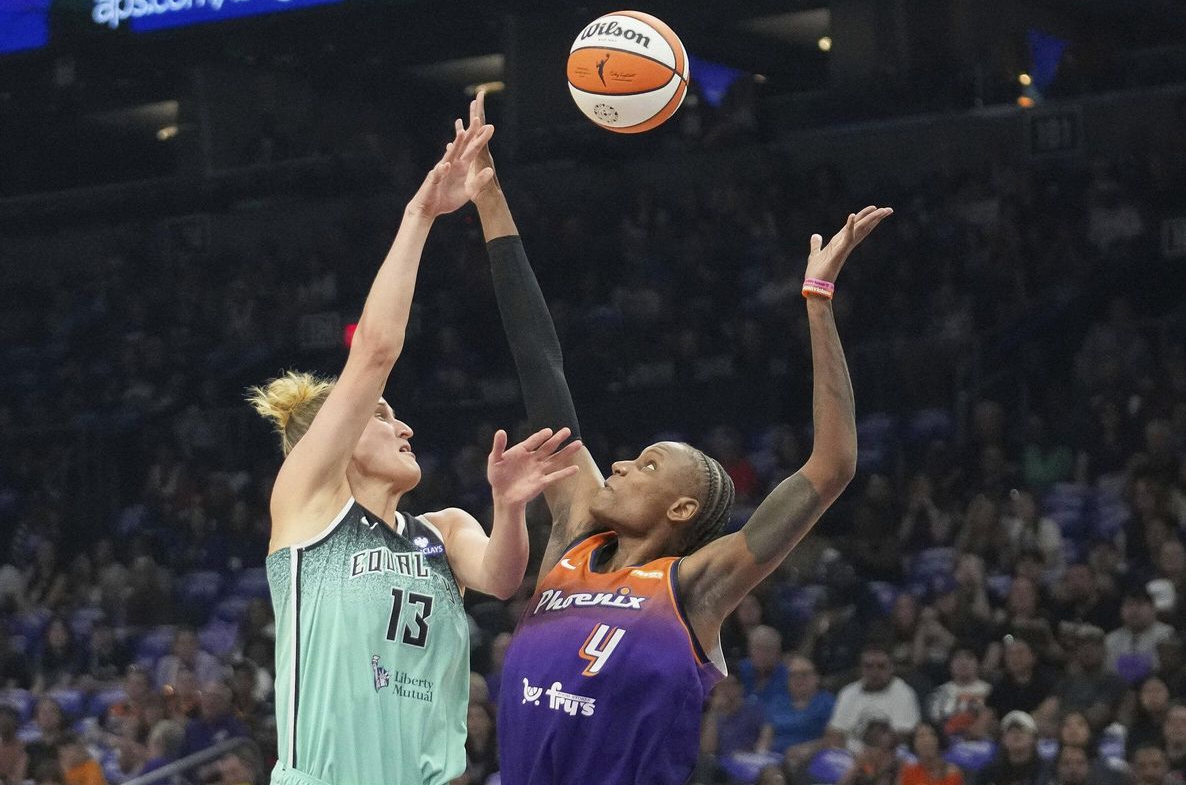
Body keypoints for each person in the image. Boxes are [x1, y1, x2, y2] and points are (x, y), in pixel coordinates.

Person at [469, 91, 889, 785]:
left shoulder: (692, 587)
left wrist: (817, 300)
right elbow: (538, 357)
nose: (624, 463)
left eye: (649, 464)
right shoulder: (573, 536)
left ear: (683, 510)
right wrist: (488, 198)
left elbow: (832, 466)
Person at [247, 113, 580, 785]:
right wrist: (421, 212)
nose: (404, 429)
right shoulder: (308, 508)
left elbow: (501, 579)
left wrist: (509, 507)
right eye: (382, 416)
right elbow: (374, 351)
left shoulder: (444, 530)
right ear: (330, 442)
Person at [825, 646, 921, 753]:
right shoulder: (848, 692)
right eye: (868, 666)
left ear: (891, 668)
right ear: (860, 669)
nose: (875, 672)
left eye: (881, 666)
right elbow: (835, 731)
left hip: (890, 754)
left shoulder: (904, 692)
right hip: (849, 755)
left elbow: (904, 734)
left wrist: (871, 755)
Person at [899, 722, 964, 785]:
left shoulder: (953, 773)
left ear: (939, 740)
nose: (927, 739)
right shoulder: (909, 772)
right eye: (921, 736)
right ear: (914, 744)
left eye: (932, 734)